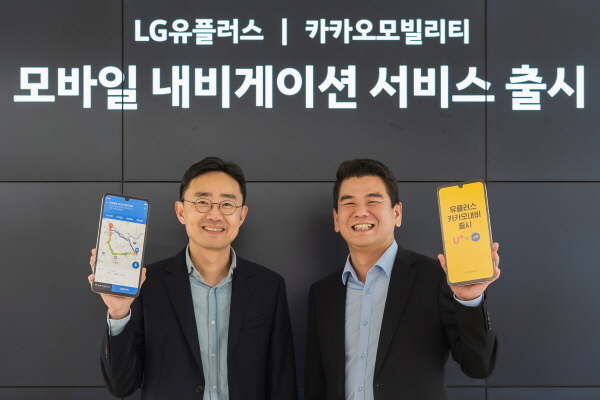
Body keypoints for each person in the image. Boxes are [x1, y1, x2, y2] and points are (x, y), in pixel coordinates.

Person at [88, 157, 297, 400]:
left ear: (242, 215)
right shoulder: (147, 283)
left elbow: (282, 383)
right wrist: (119, 313)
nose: (215, 215)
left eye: (227, 204)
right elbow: (121, 386)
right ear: (181, 211)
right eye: (202, 202)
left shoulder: (268, 286)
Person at [304, 159, 499, 400]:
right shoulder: (322, 293)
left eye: (373, 201)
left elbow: (479, 366)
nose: (360, 211)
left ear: (396, 213)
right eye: (349, 203)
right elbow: (317, 384)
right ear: (336, 219)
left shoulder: (437, 278)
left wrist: (470, 300)